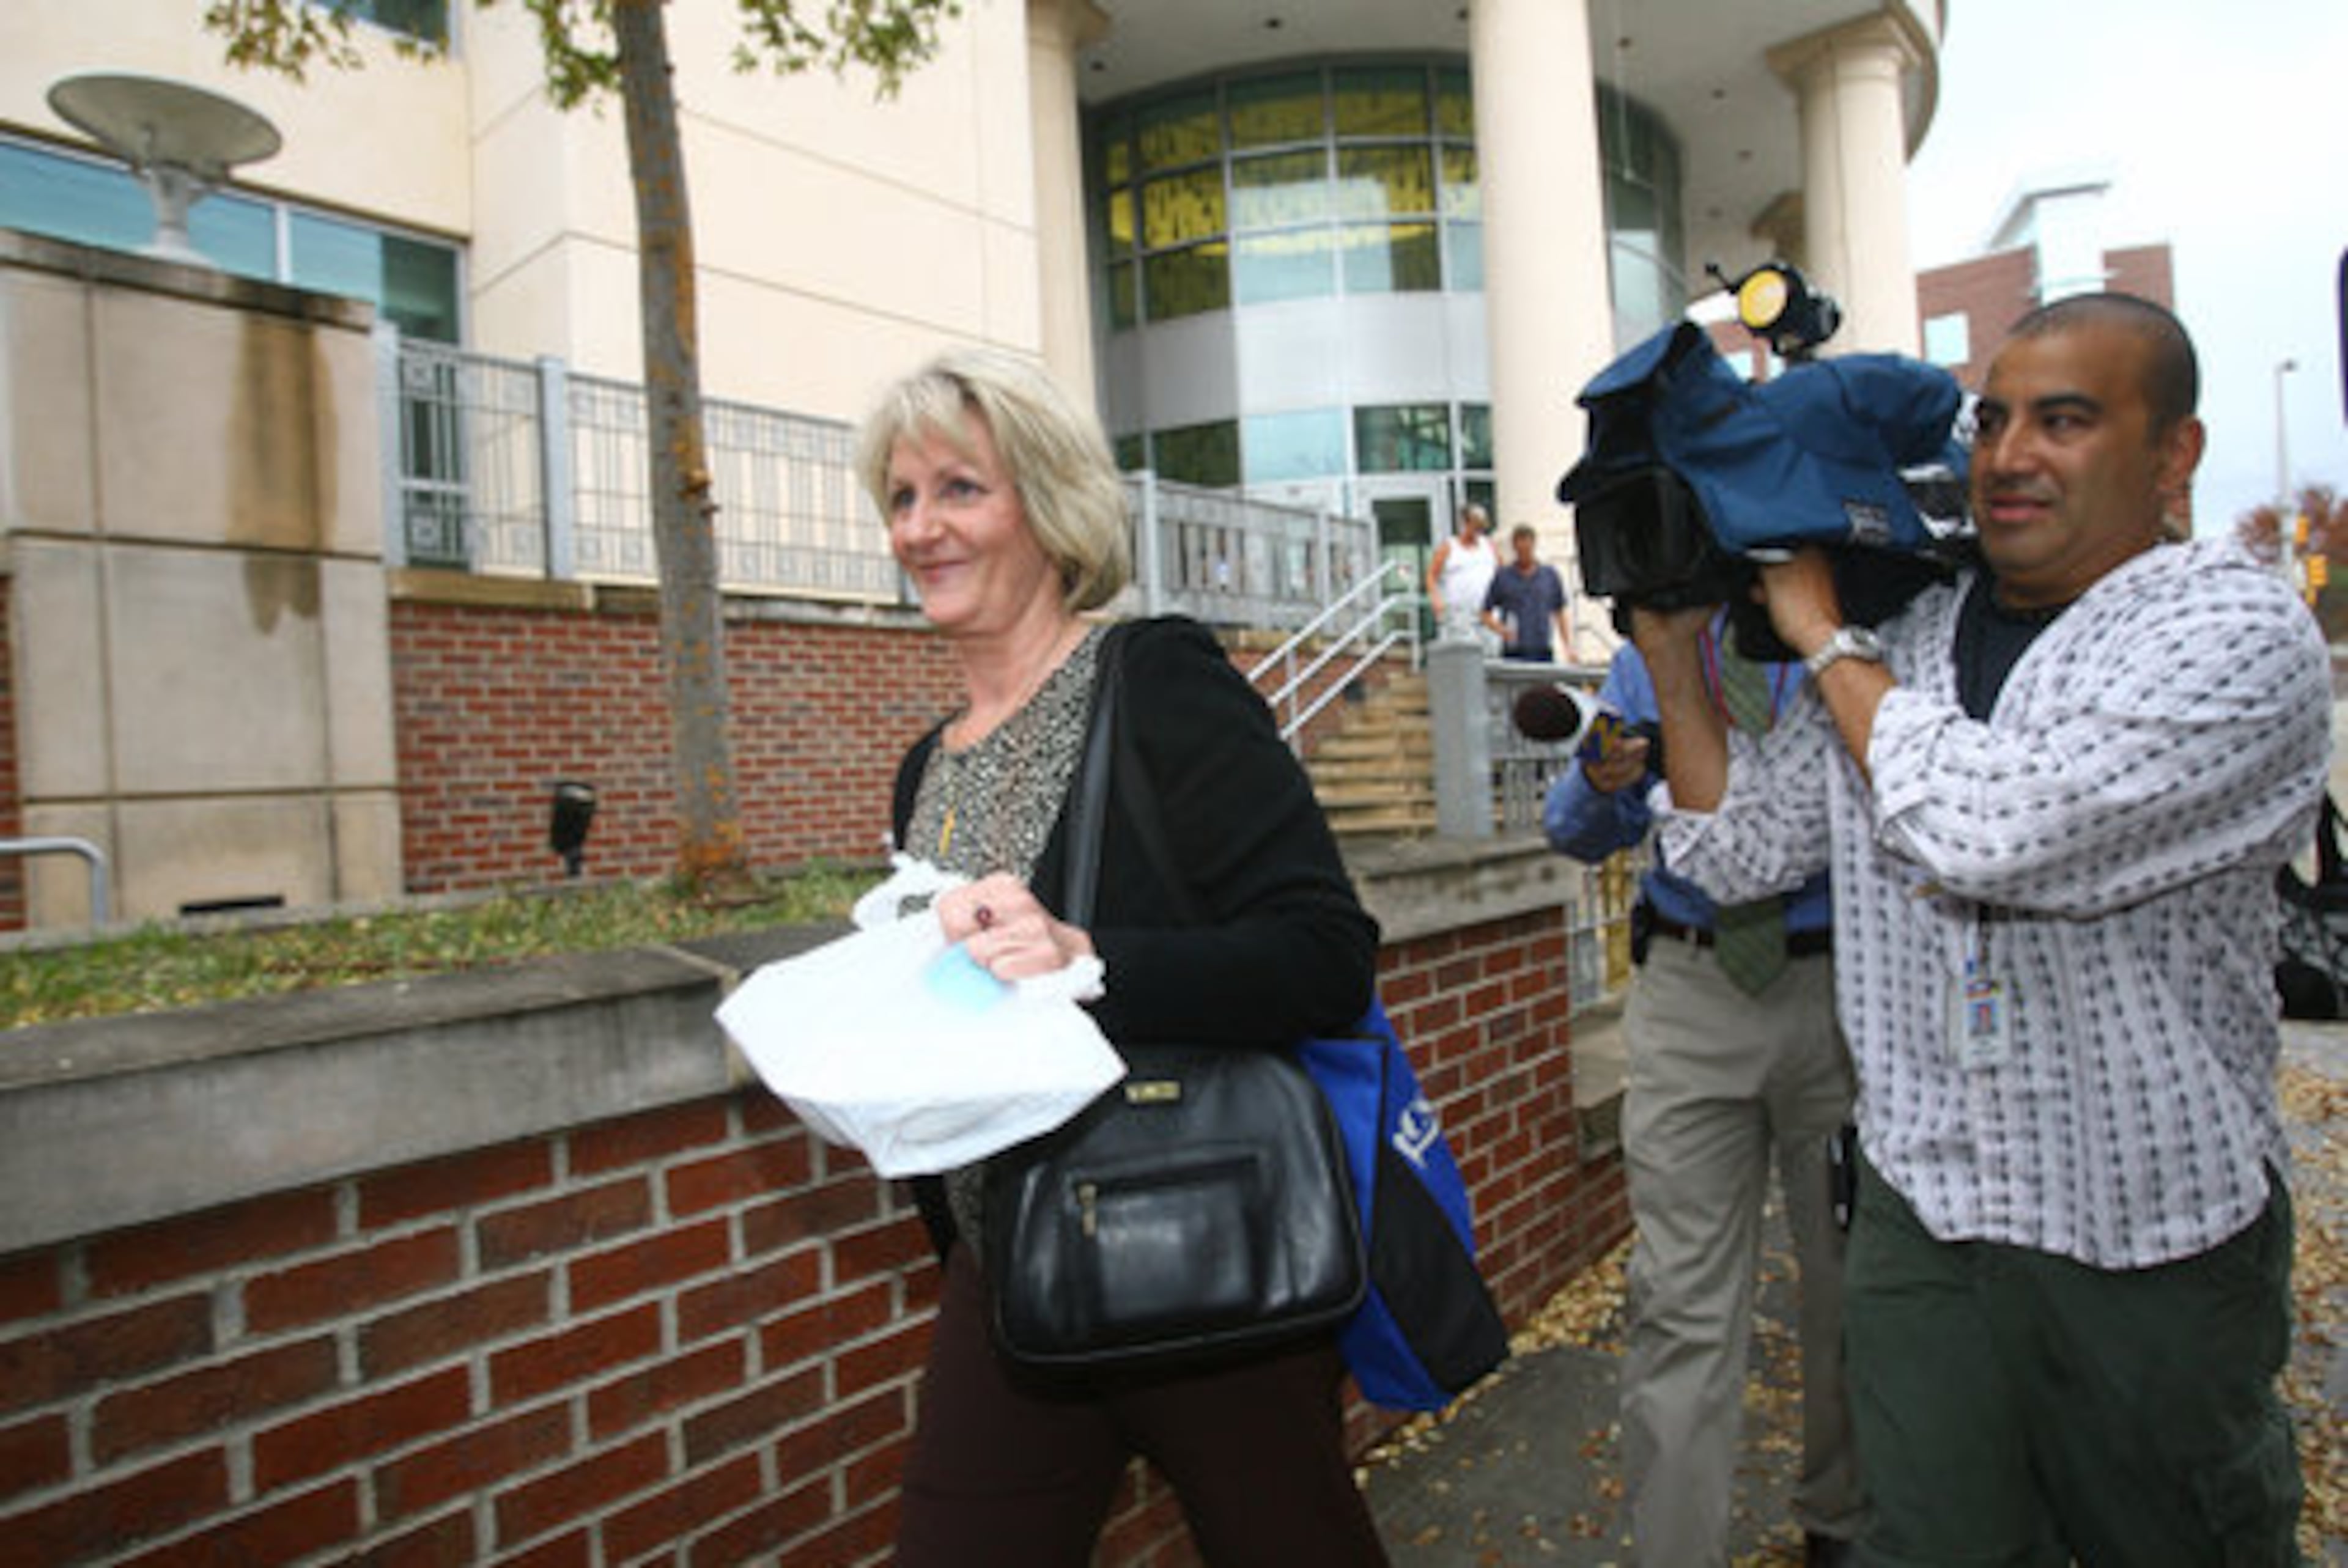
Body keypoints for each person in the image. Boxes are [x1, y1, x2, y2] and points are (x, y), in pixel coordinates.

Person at [1639, 293, 2328, 1563]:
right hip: (1926, 1220)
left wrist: (1817, 627)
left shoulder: (2235, 631)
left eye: (2065, 421)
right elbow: (1739, 851)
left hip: (2145, 1230)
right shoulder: (1910, 638)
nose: (2009, 455)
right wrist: (1675, 655)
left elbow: (1993, 829)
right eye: (1997, 419)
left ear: (2172, 454)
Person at [860, 347, 1392, 1568]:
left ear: (1047, 507)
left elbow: (1324, 956)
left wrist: (1087, 954)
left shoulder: (1153, 681)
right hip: (1013, 1266)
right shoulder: (924, 766)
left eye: (959, 489)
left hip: (1204, 1244)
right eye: (901, 496)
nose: (921, 528)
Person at [1545, 617, 1861, 1567]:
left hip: (1839, 992)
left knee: (1852, 1289)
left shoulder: (1851, 636)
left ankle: (1842, 1524)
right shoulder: (1659, 644)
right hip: (1690, 991)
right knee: (1679, 1301)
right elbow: (1573, 829)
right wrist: (1604, 783)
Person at [1482, 523, 1571, 661]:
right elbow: (1485, 614)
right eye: (1520, 549)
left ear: (1534, 545)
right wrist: (1501, 630)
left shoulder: (1549, 576)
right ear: (1514, 547)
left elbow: (1559, 612)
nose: (1524, 552)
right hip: (1514, 650)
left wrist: (1567, 647)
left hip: (1542, 648)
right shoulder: (1503, 576)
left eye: (1527, 548)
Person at [1427, 501, 1499, 642]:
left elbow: (1502, 573)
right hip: (1459, 613)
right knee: (1464, 654)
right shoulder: (1449, 547)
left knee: (1491, 653)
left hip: (1487, 611)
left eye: (1480, 527)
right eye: (1474, 526)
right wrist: (1436, 598)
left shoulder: (1489, 546)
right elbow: (1431, 575)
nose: (1477, 532)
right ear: (1465, 524)